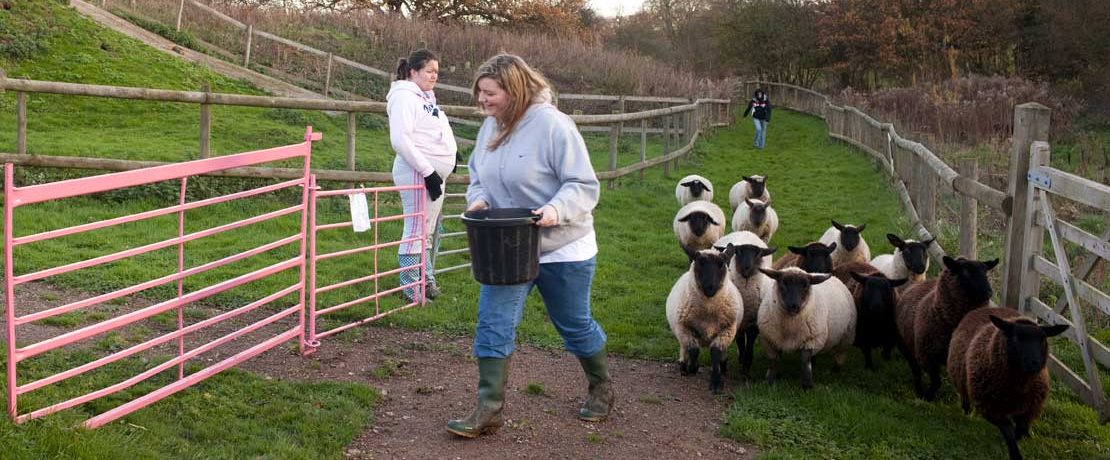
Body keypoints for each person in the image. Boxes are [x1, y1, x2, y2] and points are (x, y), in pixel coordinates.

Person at [446, 54, 613, 438]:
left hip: (562, 244)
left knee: (573, 324)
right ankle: (488, 408)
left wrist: (556, 210)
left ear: (514, 90)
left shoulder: (553, 125)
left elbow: (583, 185)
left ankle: (601, 385)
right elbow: (478, 174)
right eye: (479, 93)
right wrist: (479, 198)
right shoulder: (490, 127)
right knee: (493, 322)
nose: (482, 101)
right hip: (508, 246)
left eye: (490, 93)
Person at [386, 49, 457, 302]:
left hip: (434, 172)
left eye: (437, 72)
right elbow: (400, 139)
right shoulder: (404, 97)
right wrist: (428, 173)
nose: (434, 75)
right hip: (417, 171)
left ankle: (425, 279)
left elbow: (431, 130)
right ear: (413, 72)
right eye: (429, 71)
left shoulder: (425, 97)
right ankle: (409, 286)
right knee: (416, 227)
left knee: (426, 229)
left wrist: (451, 154)